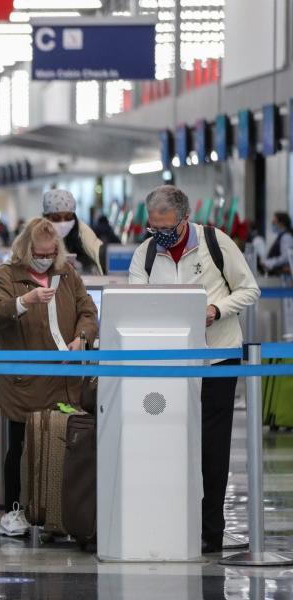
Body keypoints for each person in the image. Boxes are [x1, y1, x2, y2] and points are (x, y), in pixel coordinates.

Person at [128, 185, 260, 554]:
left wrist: (216, 310)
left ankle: (210, 530)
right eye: (154, 228)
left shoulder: (215, 243)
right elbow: (136, 301)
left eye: (167, 227)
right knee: (167, 444)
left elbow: (249, 289)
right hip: (168, 364)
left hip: (217, 358)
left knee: (212, 449)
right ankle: (170, 523)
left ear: (185, 218)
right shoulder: (146, 253)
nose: (160, 235)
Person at [0, 218, 98, 531]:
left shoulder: (67, 275)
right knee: (19, 447)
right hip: (23, 382)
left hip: (63, 380)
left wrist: (81, 338)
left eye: (50, 253)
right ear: (25, 248)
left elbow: (88, 311)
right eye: (39, 253)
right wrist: (24, 302)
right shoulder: (7, 276)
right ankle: (15, 510)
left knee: (62, 443)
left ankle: (59, 512)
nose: (44, 258)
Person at [41, 189, 106, 275]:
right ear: (46, 218)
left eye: (68, 218)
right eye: (56, 218)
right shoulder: (36, 243)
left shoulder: (84, 238)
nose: (63, 223)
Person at [263, 211, 293, 276]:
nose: (272, 224)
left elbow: (286, 257)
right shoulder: (281, 236)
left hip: (283, 275)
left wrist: (269, 263)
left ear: (281, 223)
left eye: (274, 222)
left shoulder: (286, 236)